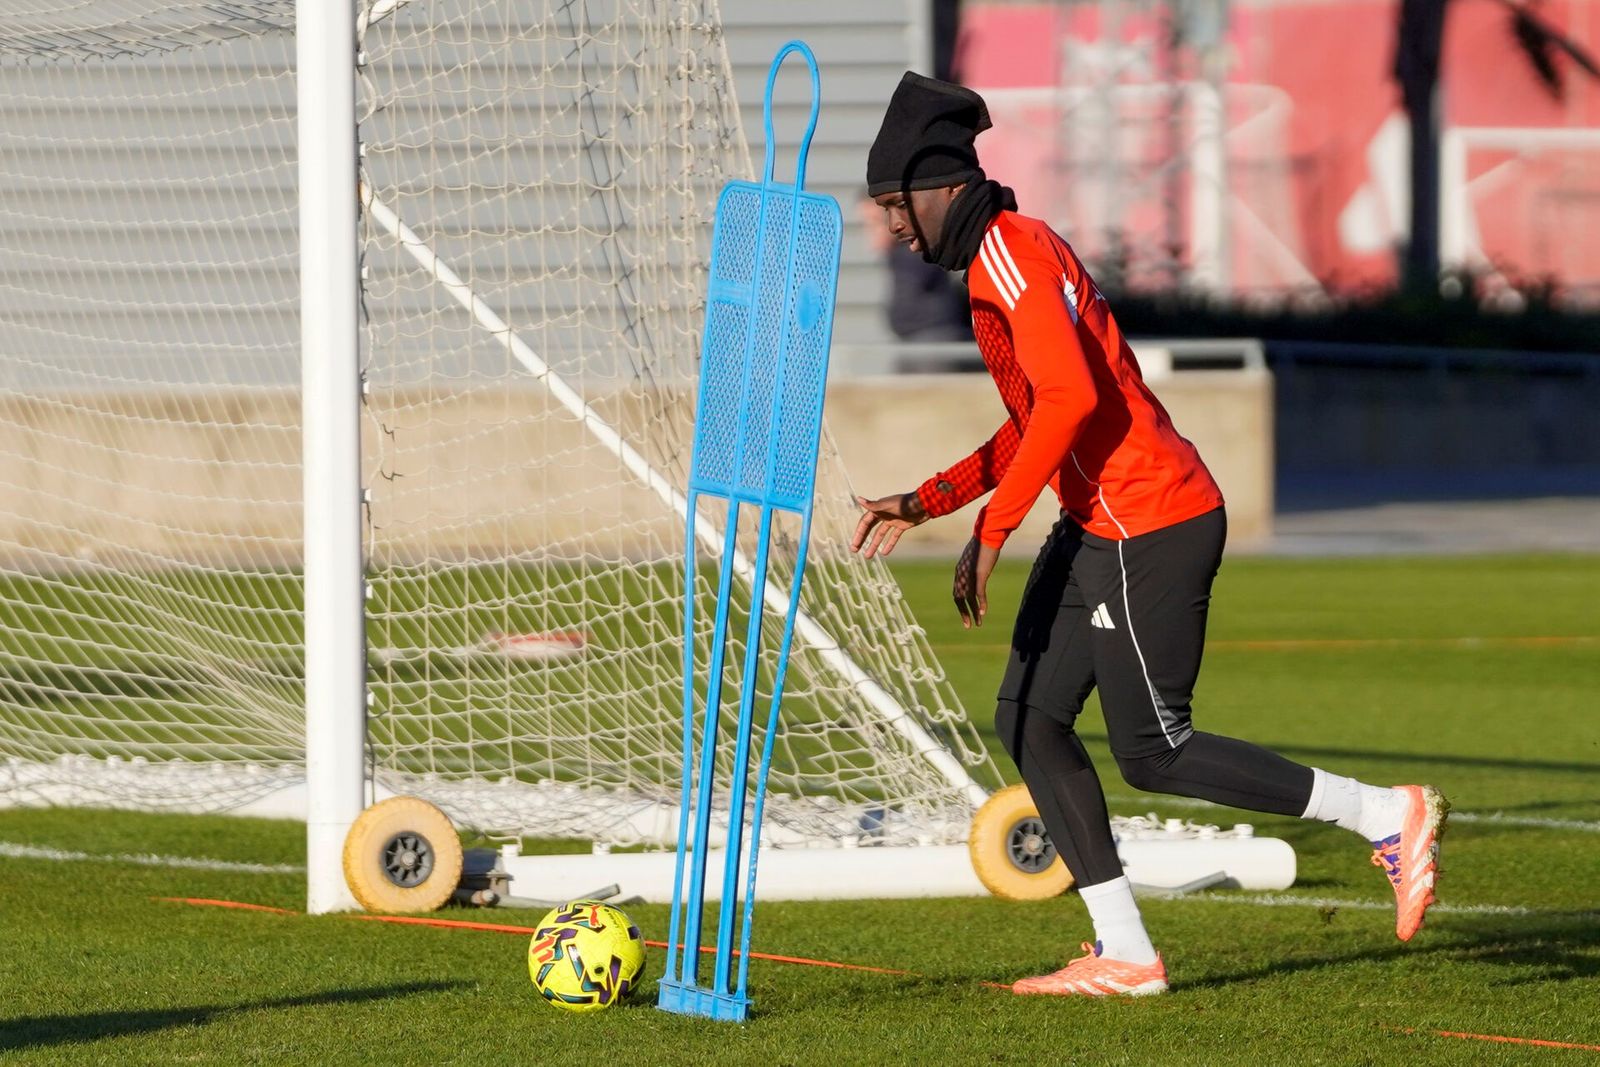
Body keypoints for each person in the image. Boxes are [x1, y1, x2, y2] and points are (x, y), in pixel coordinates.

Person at [851, 72, 1449, 997]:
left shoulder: (1011, 250)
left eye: (893, 202)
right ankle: (1125, 950)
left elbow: (1072, 398)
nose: (890, 224)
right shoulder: (993, 267)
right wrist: (933, 501)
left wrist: (996, 525)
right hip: (1099, 523)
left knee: (1153, 750)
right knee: (1029, 716)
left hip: (1150, 520)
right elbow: (1031, 420)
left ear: (938, 187)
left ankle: (1384, 811)